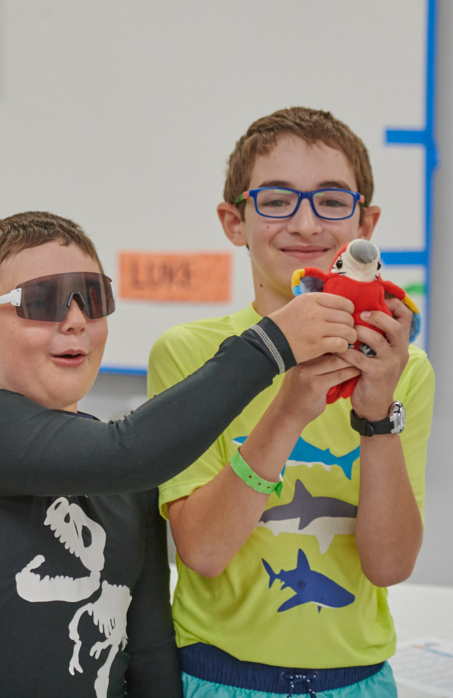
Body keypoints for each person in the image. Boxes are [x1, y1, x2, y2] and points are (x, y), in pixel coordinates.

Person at [0, 211, 358, 698]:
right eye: (42, 300)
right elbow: (132, 451)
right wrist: (271, 344)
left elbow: (149, 648)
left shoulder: (130, 476)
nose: (76, 320)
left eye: (92, 298)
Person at [151, 107, 434, 697]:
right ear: (235, 221)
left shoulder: (404, 368)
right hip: (218, 676)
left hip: (359, 679)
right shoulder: (189, 353)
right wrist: (289, 409)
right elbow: (203, 551)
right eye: (277, 200)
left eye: (331, 201)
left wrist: (377, 417)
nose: (306, 225)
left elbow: (389, 567)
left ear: (366, 223)